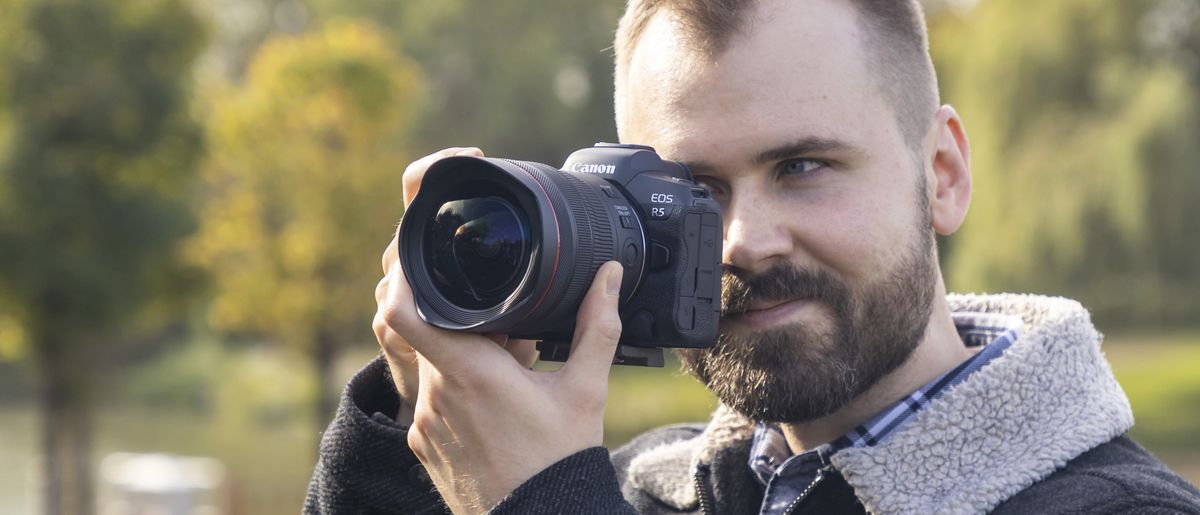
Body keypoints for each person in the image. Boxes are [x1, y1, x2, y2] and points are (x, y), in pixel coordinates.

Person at [305, 0, 1200, 513]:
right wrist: (408, 428)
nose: (741, 240)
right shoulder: (637, 490)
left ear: (943, 174)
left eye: (802, 166)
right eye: (694, 191)